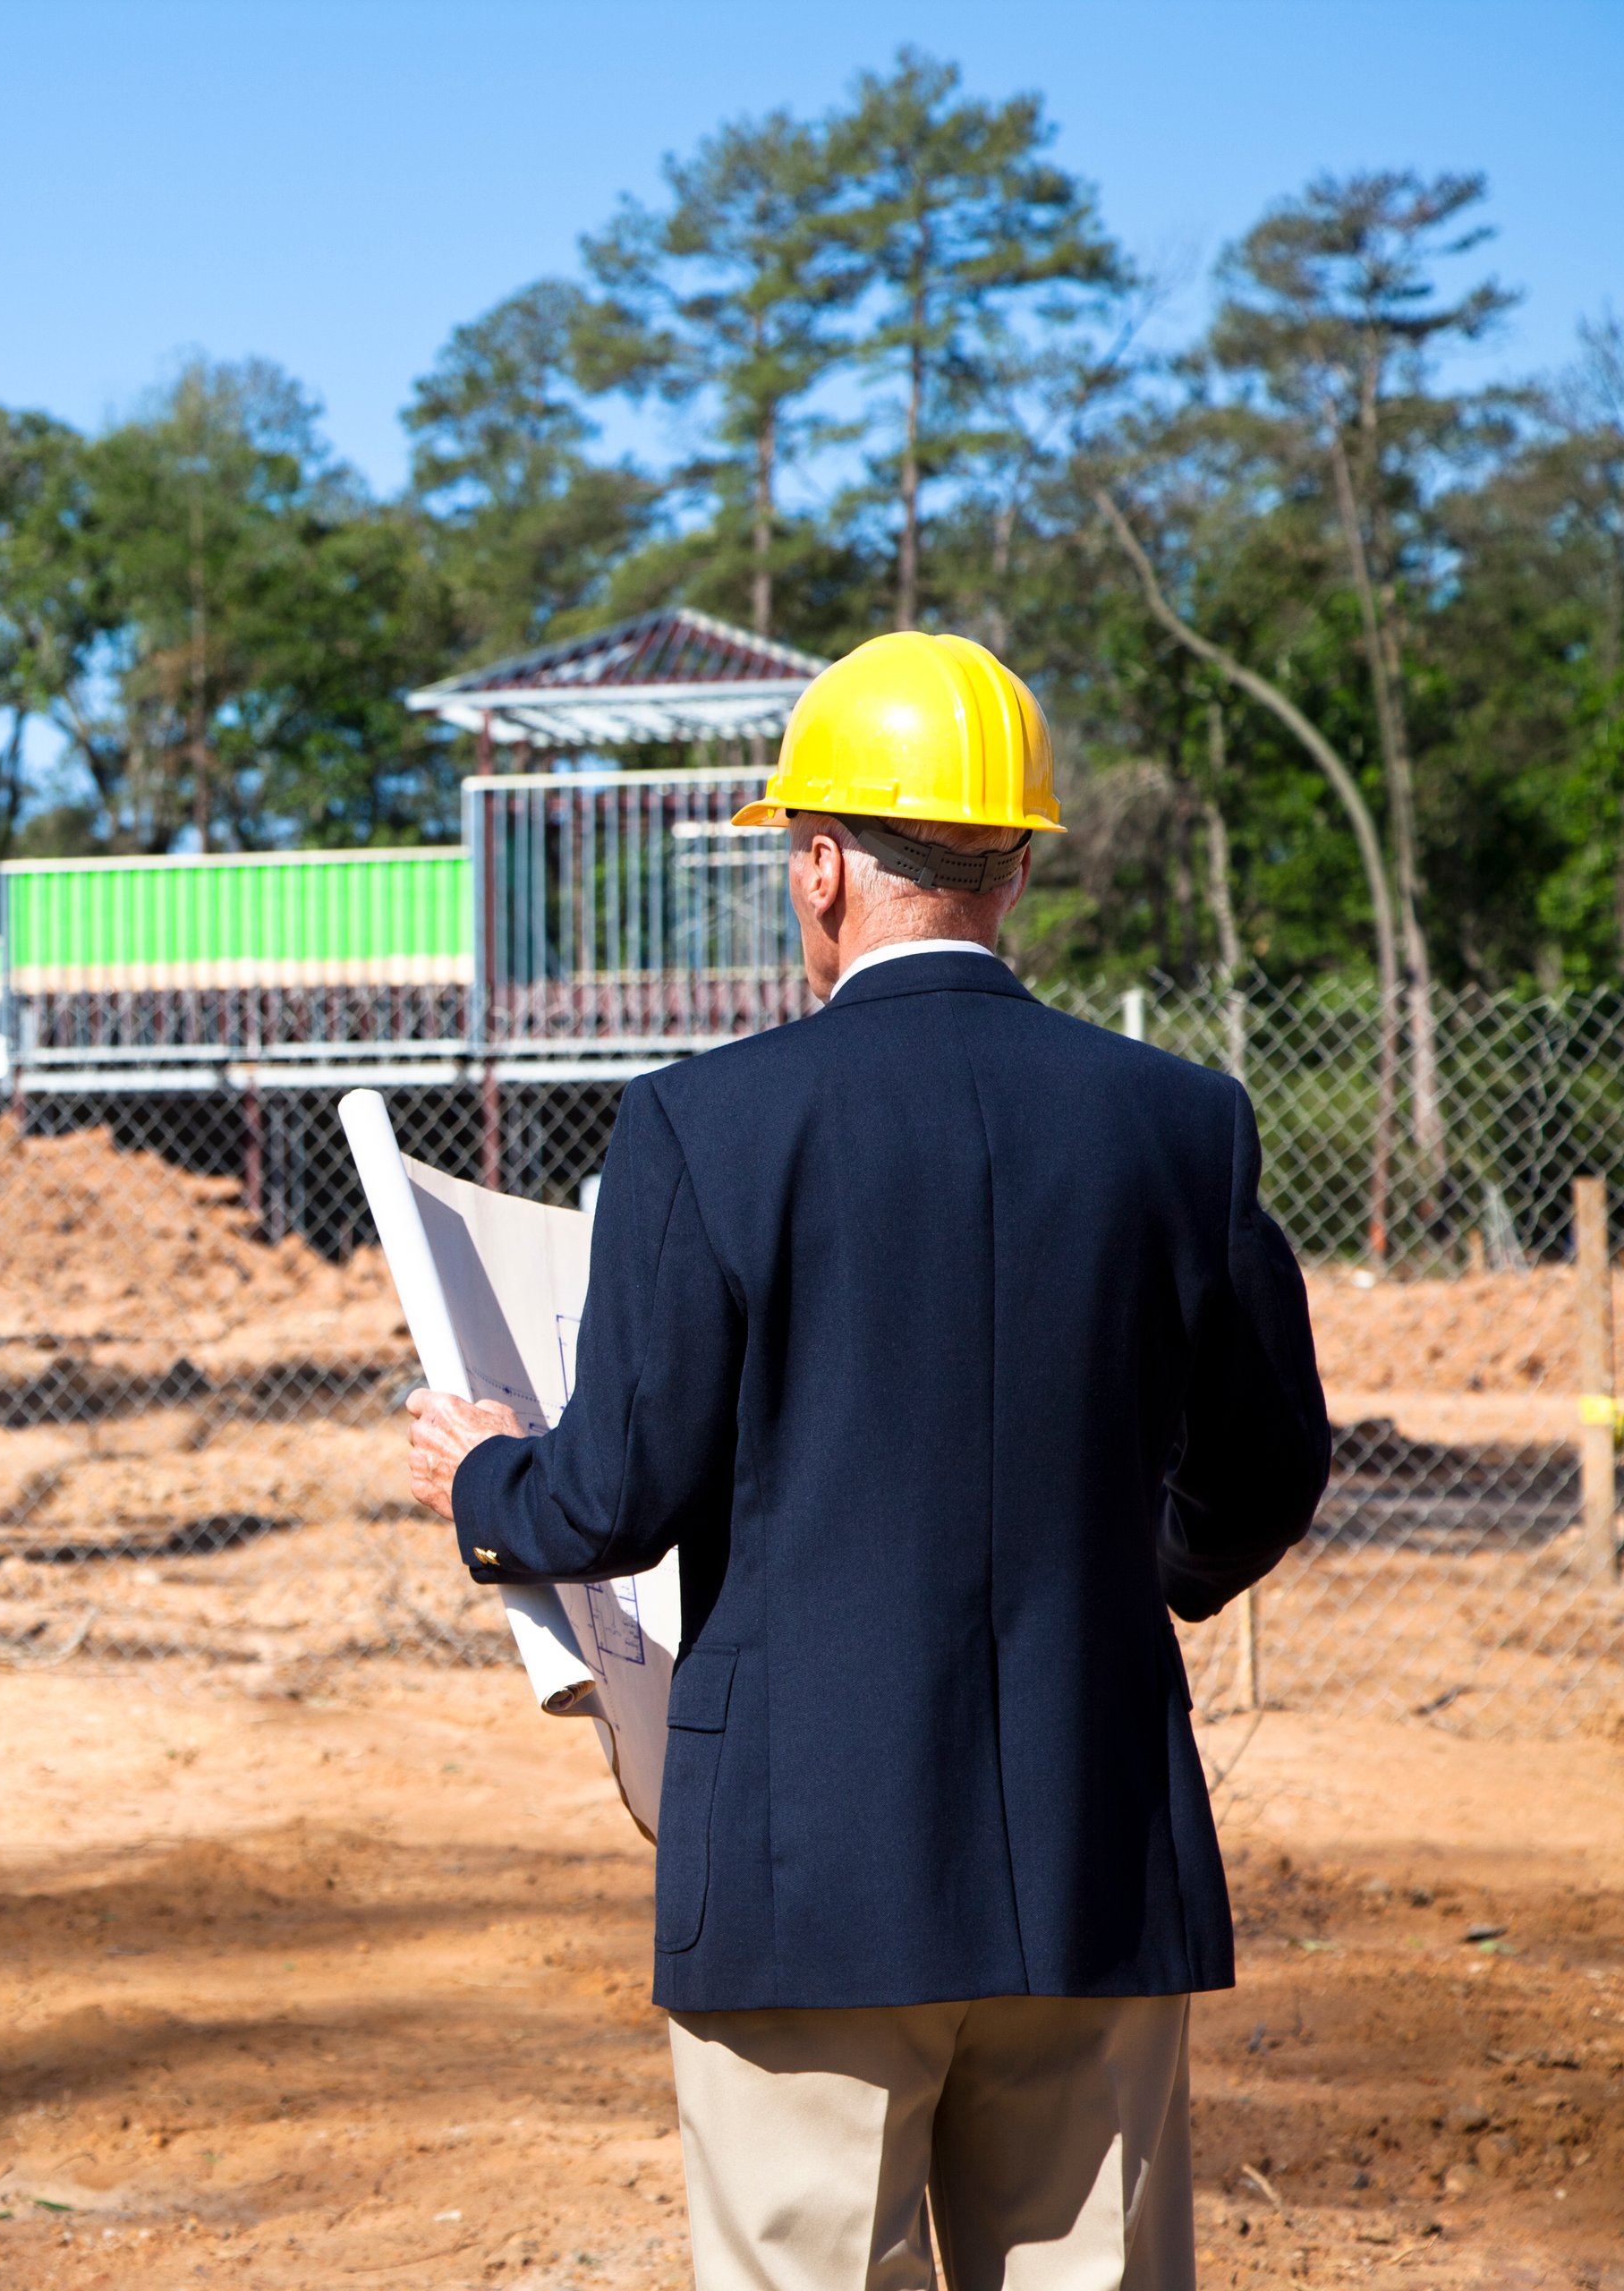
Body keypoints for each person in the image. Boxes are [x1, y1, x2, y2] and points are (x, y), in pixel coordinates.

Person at [405, 630, 1329, 2291]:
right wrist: (1149, 1577)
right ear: (1019, 860)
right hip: (1094, 1853)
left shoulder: (709, 1121)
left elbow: (616, 1496)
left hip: (798, 1870)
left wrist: (485, 1484)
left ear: (821, 863)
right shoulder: (1183, 1124)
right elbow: (1268, 1471)